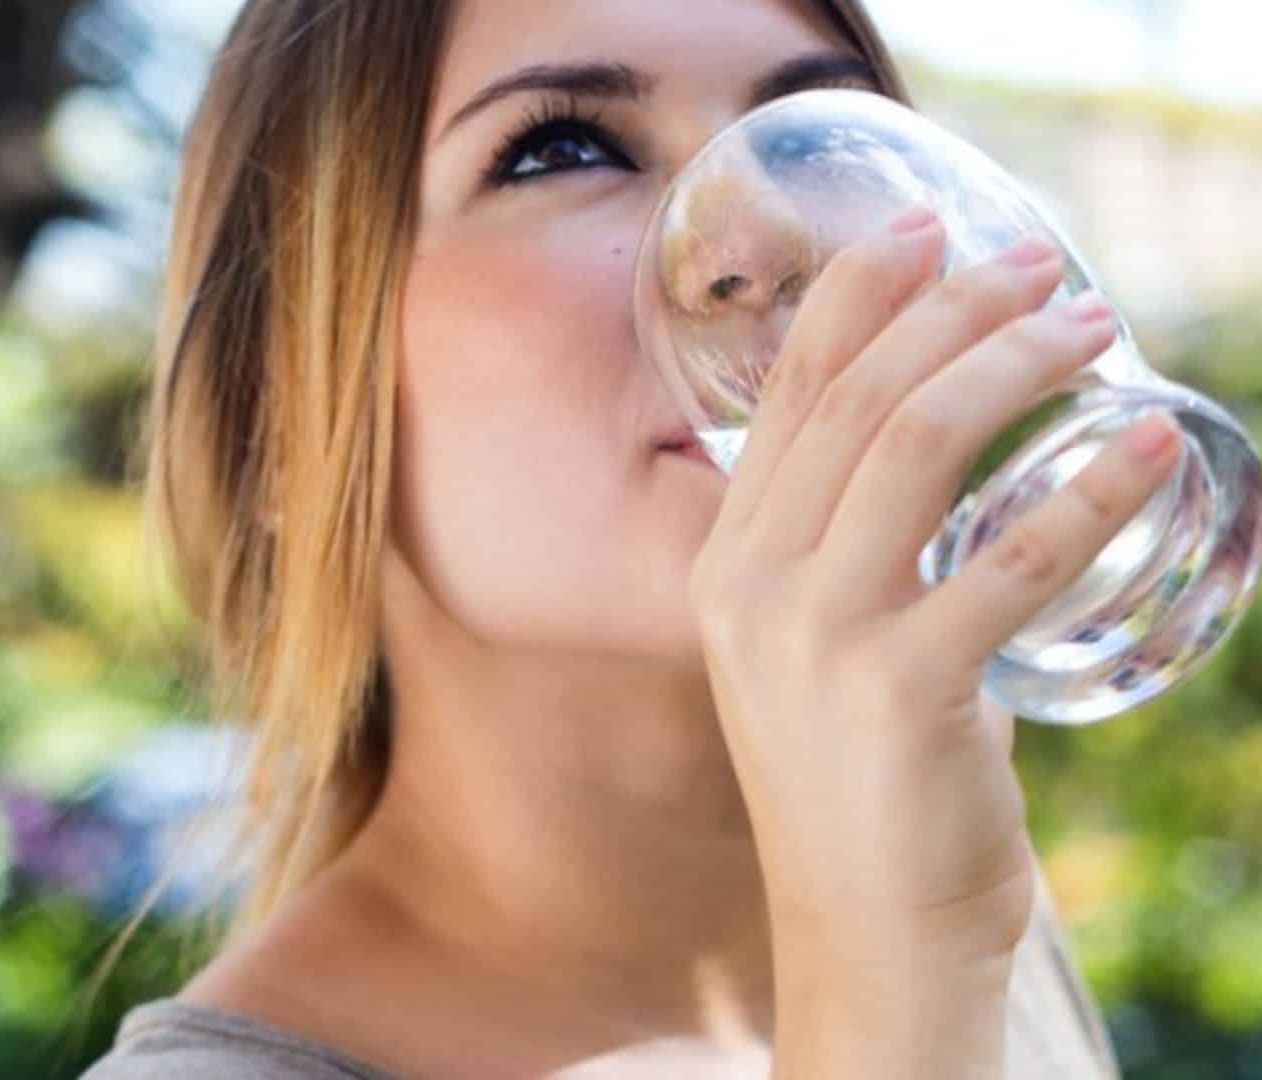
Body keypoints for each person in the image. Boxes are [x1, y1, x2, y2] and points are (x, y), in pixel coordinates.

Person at [82, 0, 1177, 1075]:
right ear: (277, 421)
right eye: (563, 149)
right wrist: (897, 987)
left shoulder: (963, 905)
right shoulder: (924, 935)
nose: (771, 241)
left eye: (824, 138)